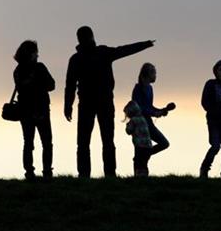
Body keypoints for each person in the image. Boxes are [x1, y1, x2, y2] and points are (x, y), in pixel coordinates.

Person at [64, 26, 154, 178]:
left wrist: (68, 106)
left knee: (84, 141)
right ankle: (110, 174)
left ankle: (84, 174)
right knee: (107, 140)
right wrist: (144, 44)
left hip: (87, 103)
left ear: (78, 40)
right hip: (103, 102)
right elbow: (124, 50)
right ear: (92, 36)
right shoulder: (102, 53)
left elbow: (70, 85)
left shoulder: (76, 59)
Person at [12, 40, 56, 180]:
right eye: (36, 52)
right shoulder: (40, 68)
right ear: (31, 54)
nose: (37, 55)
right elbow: (51, 85)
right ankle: (47, 172)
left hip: (25, 111)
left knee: (28, 142)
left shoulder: (18, 71)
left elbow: (21, 89)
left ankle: (29, 172)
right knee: (46, 142)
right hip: (41, 109)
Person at [131, 63, 174, 163]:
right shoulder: (138, 88)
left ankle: (142, 157)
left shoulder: (150, 88)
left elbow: (149, 106)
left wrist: (160, 111)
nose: (155, 76)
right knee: (140, 148)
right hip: (139, 123)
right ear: (147, 74)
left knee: (164, 143)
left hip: (148, 122)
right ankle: (139, 167)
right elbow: (139, 108)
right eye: (154, 73)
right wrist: (155, 113)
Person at [123, 100, 152, 176]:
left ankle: (137, 176)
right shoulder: (143, 119)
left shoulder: (133, 120)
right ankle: (145, 175)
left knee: (137, 161)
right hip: (148, 146)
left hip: (139, 146)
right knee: (144, 163)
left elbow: (128, 131)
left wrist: (127, 125)